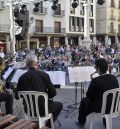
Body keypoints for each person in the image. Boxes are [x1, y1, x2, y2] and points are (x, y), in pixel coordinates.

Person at [15, 53, 63, 127]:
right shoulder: (44, 75)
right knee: (60, 105)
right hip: (43, 109)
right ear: (36, 63)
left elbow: (16, 96)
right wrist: (45, 97)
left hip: (28, 110)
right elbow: (53, 93)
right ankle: (47, 126)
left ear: (26, 64)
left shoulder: (21, 78)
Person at [77, 58, 119, 128]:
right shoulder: (114, 78)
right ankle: (106, 123)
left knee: (84, 100)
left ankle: (81, 122)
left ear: (98, 69)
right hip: (113, 106)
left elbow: (89, 96)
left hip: (101, 108)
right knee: (105, 98)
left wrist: (92, 84)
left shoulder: (96, 80)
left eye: (96, 68)